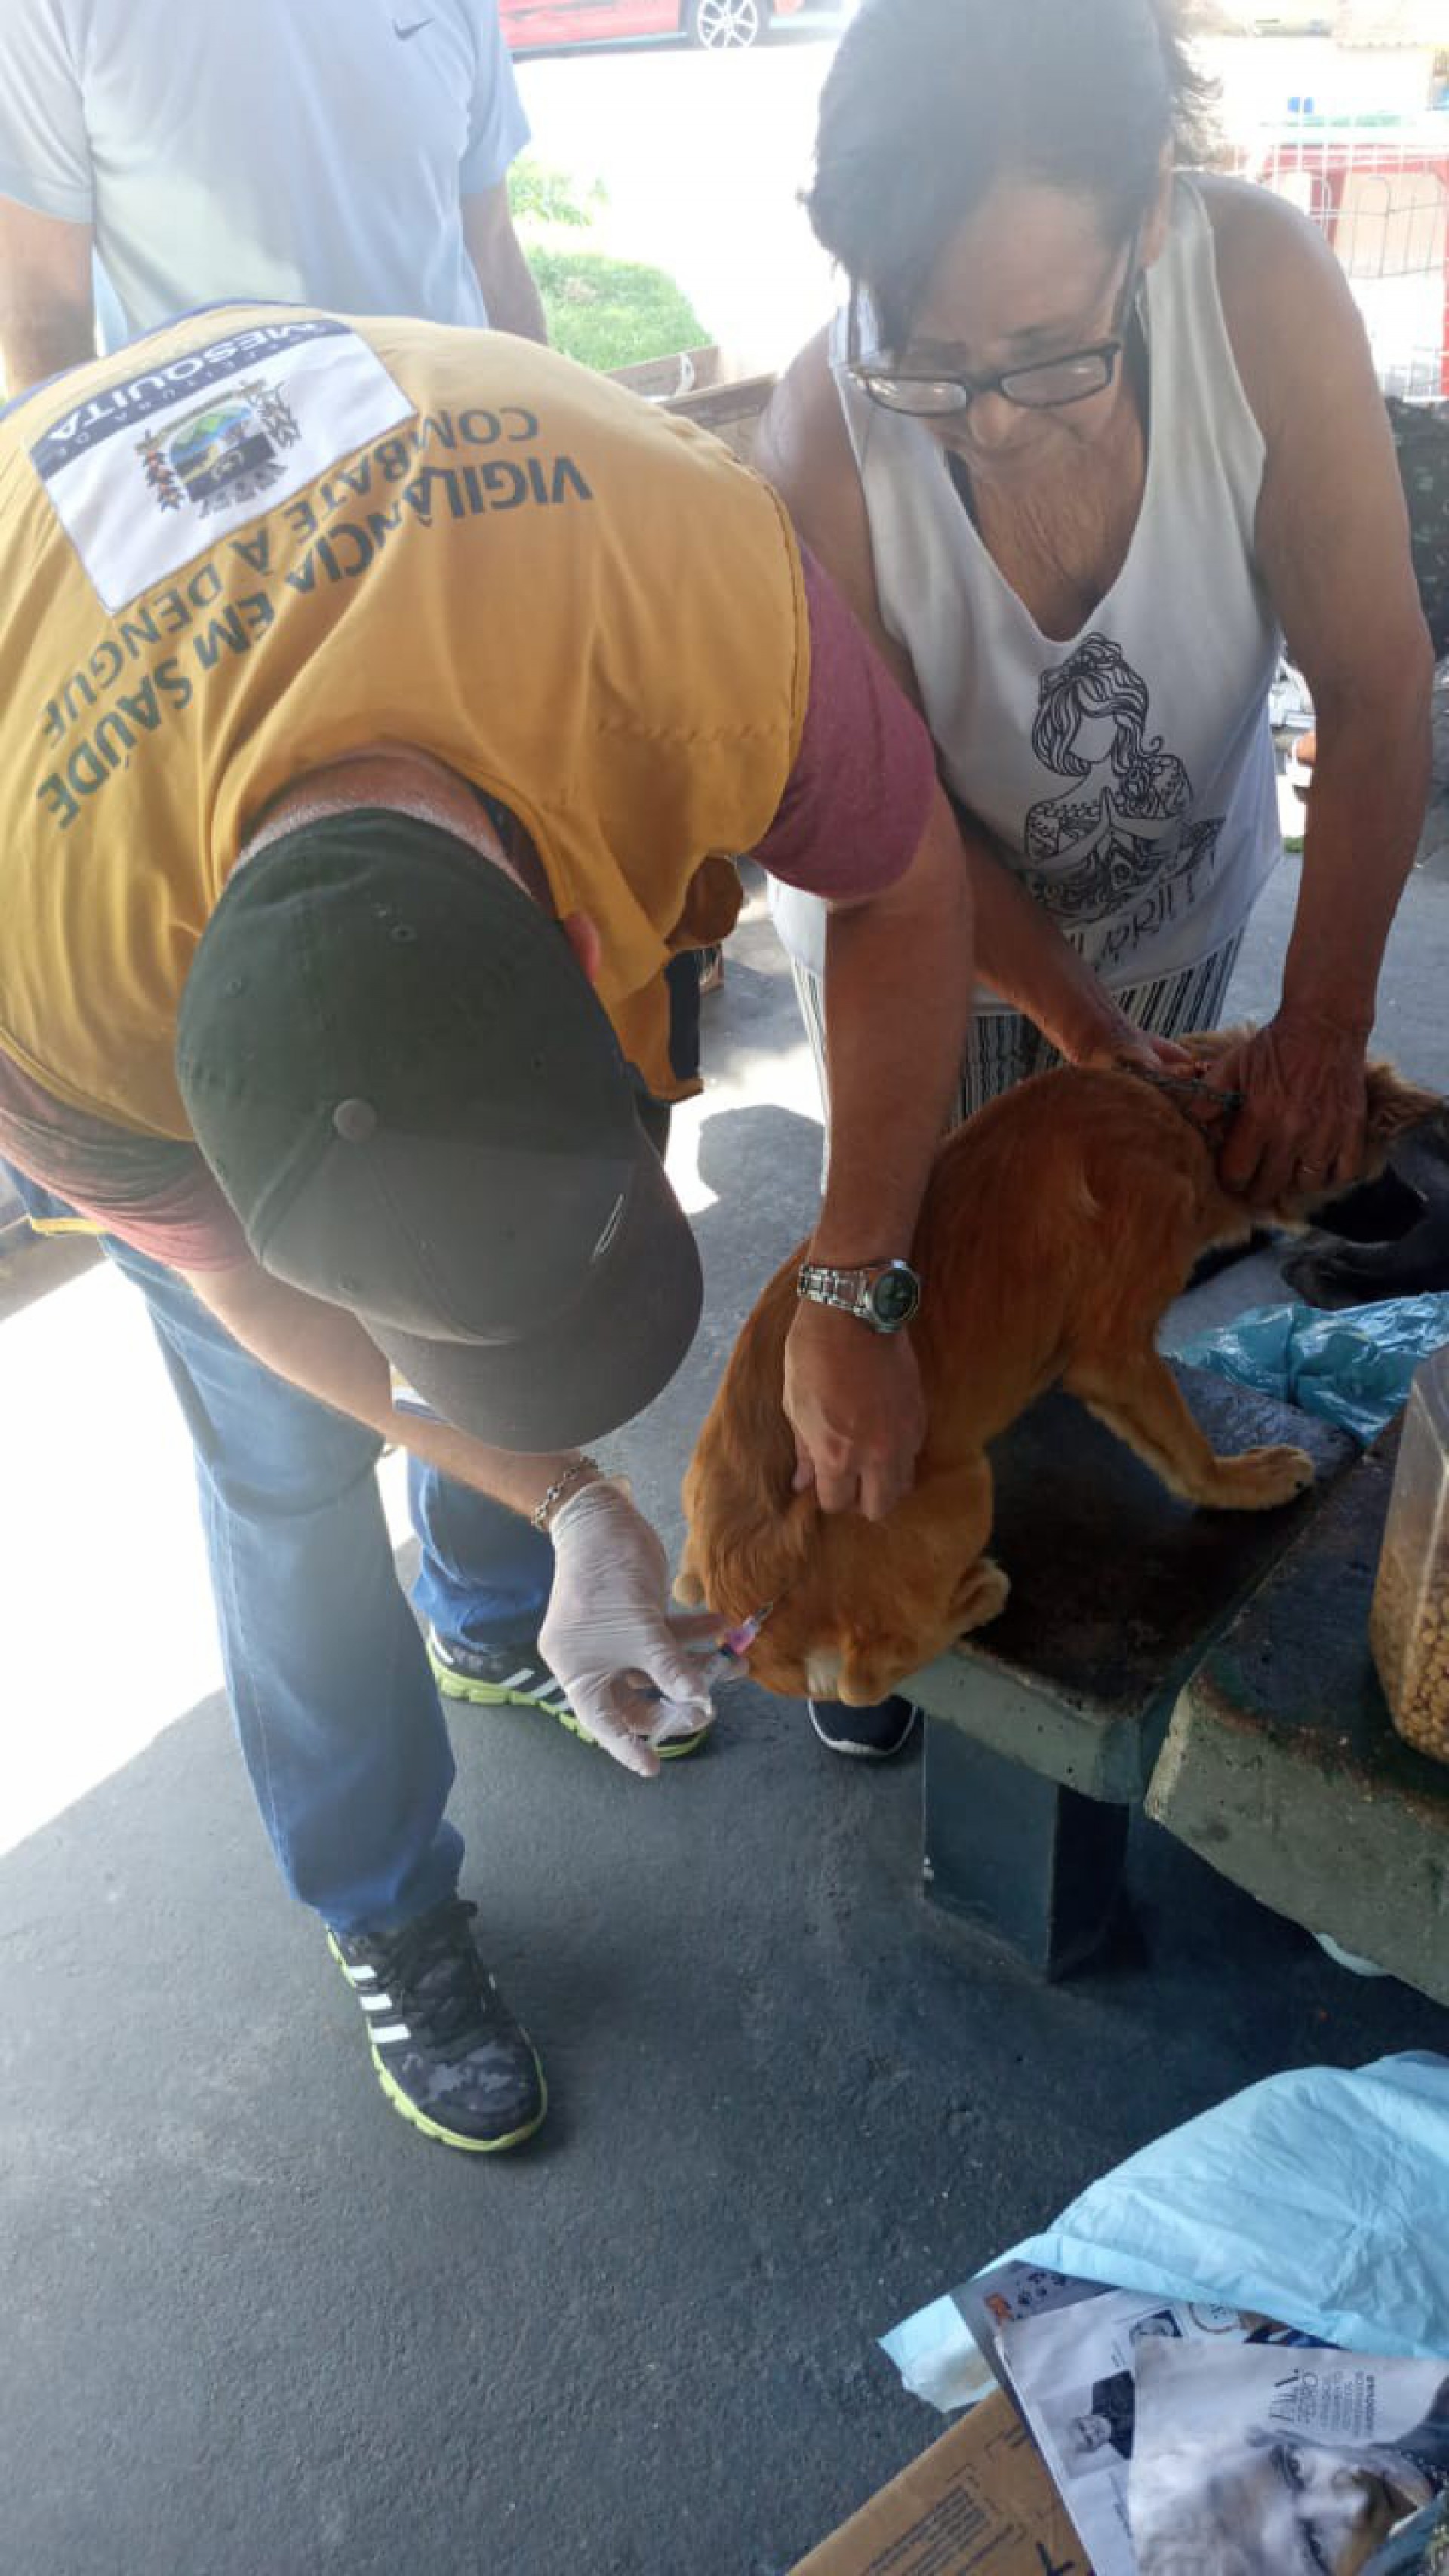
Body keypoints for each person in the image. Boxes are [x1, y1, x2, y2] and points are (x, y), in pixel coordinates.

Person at [0, 308, 971, 2151]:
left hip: (483, 537)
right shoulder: (48, 1005)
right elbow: (255, 1296)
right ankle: (385, 1902)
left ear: (597, 952)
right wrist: (577, 1497)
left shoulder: (688, 594)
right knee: (287, 1470)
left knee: (506, 1245)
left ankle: (487, 1605)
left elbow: (906, 879)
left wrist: (860, 1260)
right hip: (66, 696)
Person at [757, 0, 1434, 1760]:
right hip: (933, 946)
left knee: (1104, 1259)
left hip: (1185, 898)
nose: (986, 418)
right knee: (919, 1266)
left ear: (1147, 220)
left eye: (1049, 349)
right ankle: (858, 1598)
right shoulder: (828, 446)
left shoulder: (1259, 297)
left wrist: (1320, 1018)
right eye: (932, 358)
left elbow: (1375, 691)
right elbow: (900, 868)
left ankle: (1022, 1574)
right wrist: (1072, 1024)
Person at [0, 0, 546, 388]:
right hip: (225, 500)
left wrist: (549, 443)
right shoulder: (46, 10)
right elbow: (44, 311)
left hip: (457, 464)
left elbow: (494, 254)